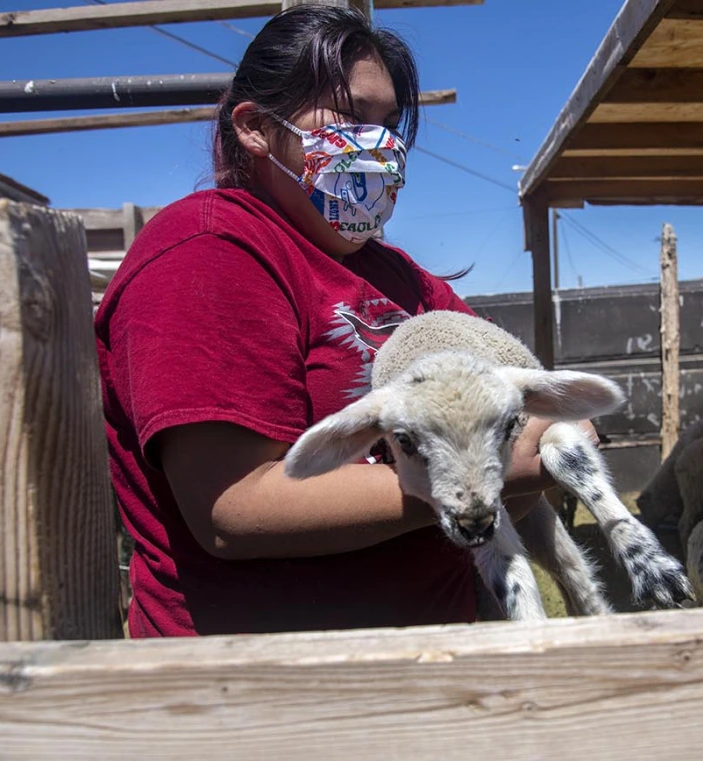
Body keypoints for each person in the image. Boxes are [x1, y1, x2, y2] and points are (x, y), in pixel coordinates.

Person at [95, 5, 584, 637]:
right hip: (275, 692)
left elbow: (530, 397)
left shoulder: (402, 278)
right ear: (254, 128)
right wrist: (489, 477)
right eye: (352, 119)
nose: (380, 146)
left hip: (434, 662)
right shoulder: (208, 252)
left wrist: (536, 441)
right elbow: (237, 507)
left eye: (389, 124)